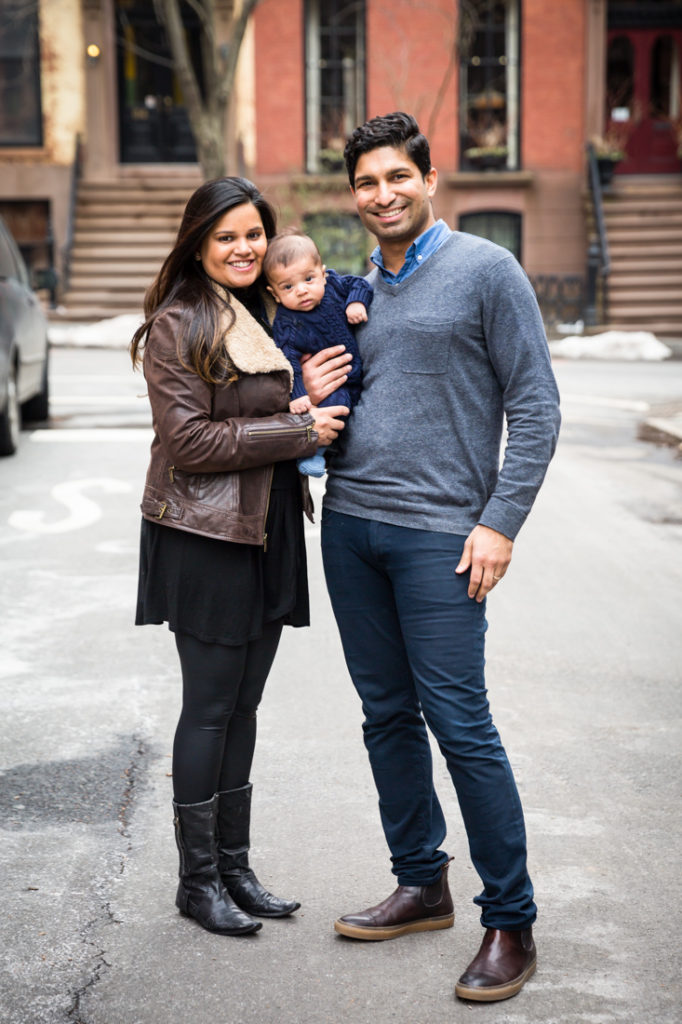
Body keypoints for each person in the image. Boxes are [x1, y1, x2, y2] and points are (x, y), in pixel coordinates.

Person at [301, 112, 561, 1002]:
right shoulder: (351, 289)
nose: (382, 195)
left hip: (442, 538)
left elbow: (536, 405)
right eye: (366, 183)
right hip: (351, 527)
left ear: (429, 179)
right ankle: (421, 882)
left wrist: (500, 522)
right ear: (354, 196)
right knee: (385, 714)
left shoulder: (488, 271)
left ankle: (511, 919)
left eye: (396, 177)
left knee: (460, 722)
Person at [130, 177, 347, 937]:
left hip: (265, 527)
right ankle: (197, 883)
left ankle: (234, 867)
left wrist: (299, 398)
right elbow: (189, 441)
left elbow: (250, 405)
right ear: (199, 244)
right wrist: (299, 431)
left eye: (254, 233)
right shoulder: (179, 322)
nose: (245, 248)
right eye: (227, 236)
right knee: (210, 707)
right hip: (207, 538)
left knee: (245, 706)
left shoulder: (262, 310)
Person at [263, 229, 369, 477]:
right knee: (334, 409)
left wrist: (356, 302)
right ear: (274, 294)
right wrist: (298, 394)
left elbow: (359, 283)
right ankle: (315, 453)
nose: (301, 290)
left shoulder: (334, 287)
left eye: (308, 279)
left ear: (323, 273)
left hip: (359, 377)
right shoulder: (287, 324)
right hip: (334, 389)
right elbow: (288, 362)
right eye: (288, 286)